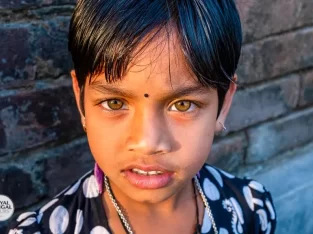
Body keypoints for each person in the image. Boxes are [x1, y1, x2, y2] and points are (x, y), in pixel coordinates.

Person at [6, 0, 276, 233]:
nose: (148, 142)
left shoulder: (250, 209)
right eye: (114, 102)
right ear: (81, 99)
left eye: (182, 105)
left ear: (223, 103)